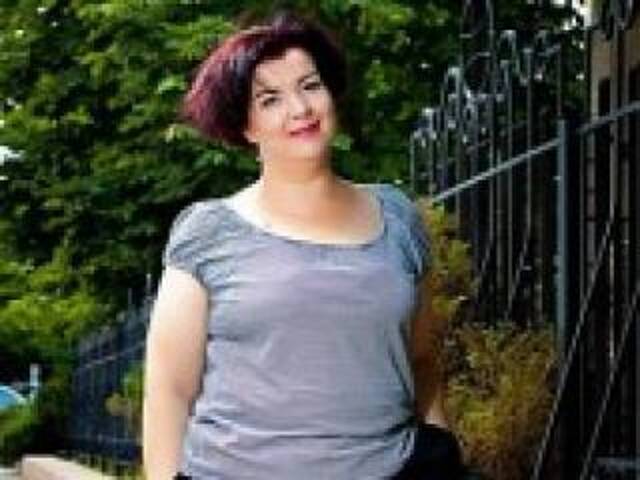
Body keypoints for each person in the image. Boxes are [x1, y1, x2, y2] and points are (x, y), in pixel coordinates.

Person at [142, 10, 462, 480]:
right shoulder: (208, 232)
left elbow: (423, 361)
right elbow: (169, 389)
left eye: (310, 86)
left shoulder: (398, 218)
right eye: (270, 99)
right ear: (245, 126)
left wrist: (443, 454)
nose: (300, 108)